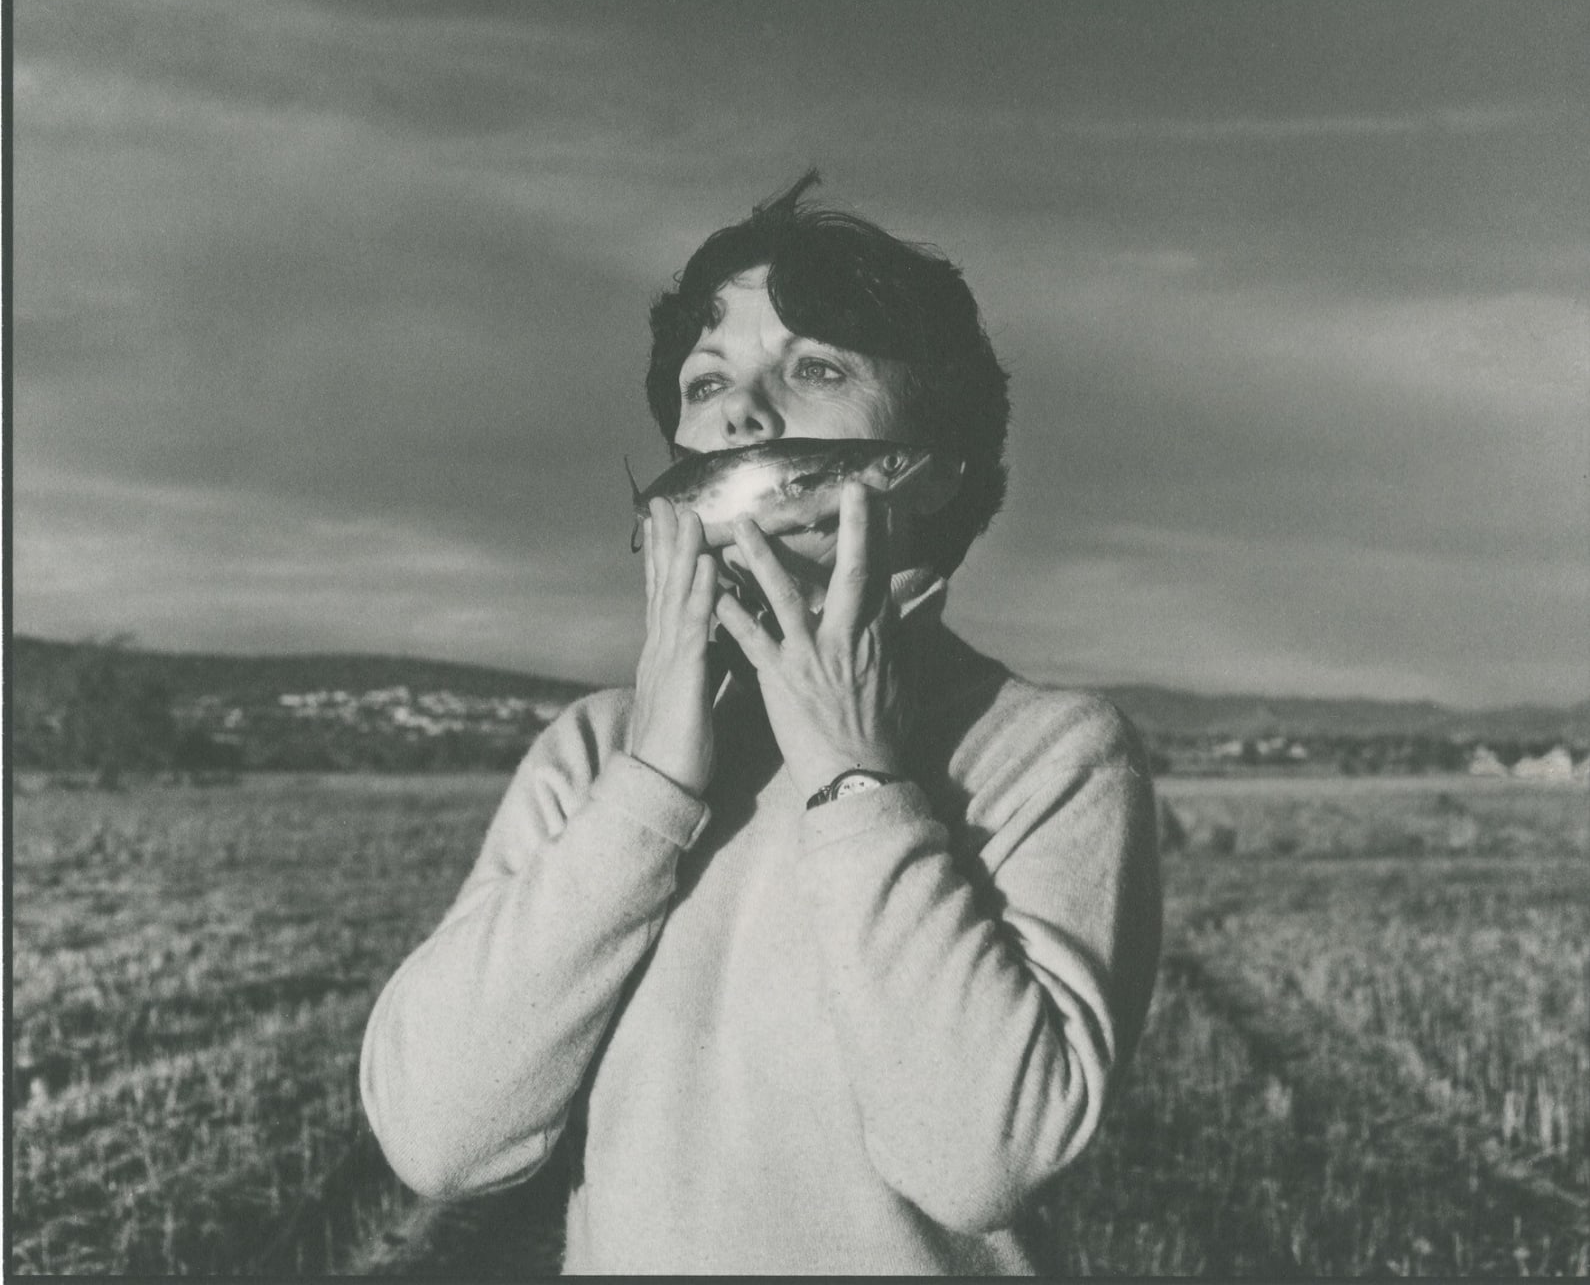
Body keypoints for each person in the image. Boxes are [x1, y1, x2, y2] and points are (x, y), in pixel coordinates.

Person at [360, 172, 1163, 1275]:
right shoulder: (592, 751)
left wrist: (857, 778)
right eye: (707, 383)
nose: (740, 414)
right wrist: (649, 788)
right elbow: (437, 1139)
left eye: (817, 369)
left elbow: (979, 1163)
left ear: (935, 470)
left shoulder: (1051, 753)